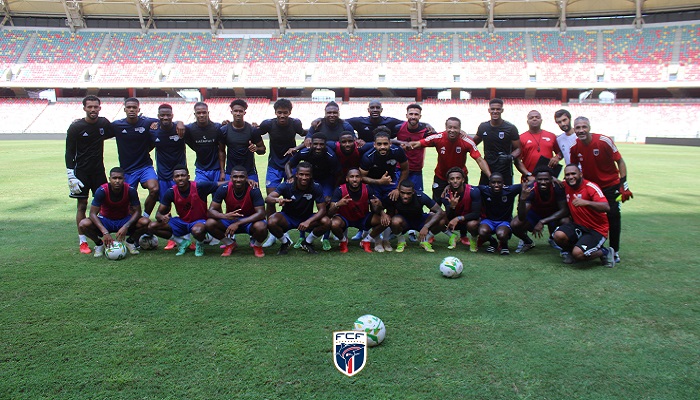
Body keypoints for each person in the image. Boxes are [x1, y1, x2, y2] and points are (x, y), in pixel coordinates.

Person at [569, 116, 632, 263]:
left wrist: (623, 183)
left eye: (584, 127)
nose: (581, 130)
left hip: (610, 186)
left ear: (589, 127)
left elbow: (620, 161)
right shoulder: (574, 146)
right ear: (575, 129)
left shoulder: (604, 141)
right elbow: (574, 167)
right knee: (590, 217)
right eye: (578, 128)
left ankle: (614, 251)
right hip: (591, 188)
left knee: (613, 216)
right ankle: (594, 247)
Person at [111, 97, 184, 218]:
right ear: (124, 109)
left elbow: (167, 120)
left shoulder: (147, 122)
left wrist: (180, 122)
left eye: (134, 107)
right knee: (127, 199)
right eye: (129, 107)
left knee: (155, 189)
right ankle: (132, 225)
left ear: (138, 109)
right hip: (127, 169)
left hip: (145, 166)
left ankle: (145, 217)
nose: (132, 110)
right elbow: (99, 128)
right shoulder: (117, 125)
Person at [65, 95, 114, 254]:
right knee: (82, 205)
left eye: (95, 107)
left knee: (104, 204)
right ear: (84, 108)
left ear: (100, 108)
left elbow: (113, 132)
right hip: (81, 173)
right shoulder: (76, 127)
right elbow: (69, 152)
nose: (93, 109)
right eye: (90, 107)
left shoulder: (103, 123)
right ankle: (83, 242)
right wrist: (70, 174)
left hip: (99, 171)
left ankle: (103, 235)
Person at [257, 98, 307, 246]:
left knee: (292, 199)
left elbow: (306, 135)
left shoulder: (295, 123)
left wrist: (315, 127)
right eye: (279, 113)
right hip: (274, 166)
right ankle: (273, 234)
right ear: (275, 113)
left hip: (291, 166)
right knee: (271, 199)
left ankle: (293, 231)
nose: (282, 116)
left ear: (290, 113)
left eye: (285, 113)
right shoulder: (268, 124)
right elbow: (255, 133)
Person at [409, 117, 490, 203]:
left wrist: (490, 176)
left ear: (460, 129)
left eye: (455, 128)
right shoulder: (438, 138)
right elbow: (418, 143)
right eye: (450, 127)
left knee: (462, 203)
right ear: (446, 127)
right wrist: (407, 146)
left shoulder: (467, 141)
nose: (452, 130)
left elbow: (479, 159)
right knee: (436, 204)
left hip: (459, 178)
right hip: (441, 177)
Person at [148, 165, 221, 257]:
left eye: (183, 175)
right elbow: (158, 214)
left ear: (188, 177)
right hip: (182, 222)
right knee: (152, 226)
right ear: (173, 179)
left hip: (199, 222)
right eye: (177, 176)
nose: (180, 178)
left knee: (197, 230)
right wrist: (162, 217)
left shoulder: (199, 186)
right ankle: (183, 242)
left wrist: (236, 182)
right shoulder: (171, 192)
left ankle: (200, 244)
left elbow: (220, 184)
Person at [552, 164, 615, 267]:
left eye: (573, 173)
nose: (570, 177)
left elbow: (606, 207)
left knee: (578, 254)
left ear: (580, 174)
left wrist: (586, 202)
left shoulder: (590, 187)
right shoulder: (567, 185)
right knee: (558, 235)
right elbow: (554, 181)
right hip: (578, 226)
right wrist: (550, 177)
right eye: (567, 175)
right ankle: (569, 252)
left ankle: (605, 252)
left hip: (596, 229)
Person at [78, 167, 150, 257]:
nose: (117, 181)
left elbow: (137, 212)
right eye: (114, 178)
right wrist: (104, 232)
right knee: (83, 224)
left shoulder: (130, 190)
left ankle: (130, 242)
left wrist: (126, 226)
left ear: (124, 179)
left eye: (120, 178)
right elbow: (92, 213)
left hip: (124, 219)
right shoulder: (102, 191)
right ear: (109, 179)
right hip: (105, 220)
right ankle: (99, 244)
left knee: (146, 222)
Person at [265, 162, 330, 255]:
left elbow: (322, 210)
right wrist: (277, 200)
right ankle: (285, 242)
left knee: (326, 221)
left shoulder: (316, 187)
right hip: (288, 218)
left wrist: (309, 221)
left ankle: (307, 242)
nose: (304, 177)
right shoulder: (286, 185)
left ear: (311, 175)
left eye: (307, 175)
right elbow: (268, 199)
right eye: (301, 174)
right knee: (271, 221)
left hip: (307, 217)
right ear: (296, 175)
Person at [205, 165, 267, 258]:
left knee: (261, 226)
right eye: (235, 177)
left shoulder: (254, 189)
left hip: (249, 221)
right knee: (210, 223)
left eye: (241, 177)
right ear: (230, 178)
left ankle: (257, 246)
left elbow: (261, 213)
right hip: (230, 219)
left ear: (246, 178)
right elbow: (211, 211)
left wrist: (238, 223)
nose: (238, 179)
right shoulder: (224, 188)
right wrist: (225, 216)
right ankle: (229, 244)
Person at [149, 104, 188, 251]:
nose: (165, 117)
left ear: (172, 115)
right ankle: (172, 238)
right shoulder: (153, 131)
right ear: (158, 116)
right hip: (164, 175)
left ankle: (188, 234)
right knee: (166, 207)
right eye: (162, 115)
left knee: (184, 205)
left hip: (180, 176)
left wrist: (181, 122)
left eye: (168, 115)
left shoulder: (180, 130)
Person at [511, 165, 569, 254]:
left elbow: (564, 210)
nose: (543, 182)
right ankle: (527, 241)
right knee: (515, 224)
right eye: (540, 179)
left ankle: (554, 238)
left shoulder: (557, 187)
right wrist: (522, 199)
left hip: (553, 214)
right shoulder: (530, 189)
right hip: (536, 214)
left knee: (566, 221)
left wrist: (542, 221)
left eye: (546, 179)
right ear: (535, 179)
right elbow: (521, 217)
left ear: (551, 179)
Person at [328, 168, 389, 253]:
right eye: (351, 177)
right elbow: (330, 212)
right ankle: (343, 241)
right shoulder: (339, 190)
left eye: (357, 176)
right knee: (333, 224)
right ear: (347, 179)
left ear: (361, 178)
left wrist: (380, 207)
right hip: (344, 218)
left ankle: (367, 240)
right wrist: (337, 204)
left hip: (363, 217)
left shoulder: (367, 188)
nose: (354, 179)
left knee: (386, 220)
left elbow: (375, 208)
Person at [381, 180, 446, 253]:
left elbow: (440, 211)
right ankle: (401, 241)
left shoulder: (421, 196)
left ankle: (425, 240)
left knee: (441, 221)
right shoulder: (394, 196)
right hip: (404, 221)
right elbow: (380, 207)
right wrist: (383, 214)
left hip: (420, 220)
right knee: (394, 221)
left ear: (413, 192)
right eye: (402, 193)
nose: (405, 196)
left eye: (408, 193)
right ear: (398, 191)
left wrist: (426, 226)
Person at [473, 98, 521, 185]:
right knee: (484, 194)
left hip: (505, 168)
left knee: (506, 194)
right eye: (493, 109)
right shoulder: (483, 127)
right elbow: (473, 143)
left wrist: (510, 157)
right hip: (488, 167)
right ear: (489, 110)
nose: (495, 111)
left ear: (502, 110)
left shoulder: (510, 128)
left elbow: (518, 149)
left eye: (498, 109)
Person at [220, 99, 266, 182]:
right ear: (231, 112)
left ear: (244, 113)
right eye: (235, 111)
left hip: (249, 172)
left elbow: (263, 149)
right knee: (228, 194)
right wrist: (222, 171)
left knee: (254, 194)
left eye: (240, 111)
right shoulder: (224, 130)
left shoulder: (252, 130)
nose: (238, 113)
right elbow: (221, 151)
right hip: (230, 172)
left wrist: (256, 149)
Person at [477, 173, 522, 255]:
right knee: (482, 232)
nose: (496, 185)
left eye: (499, 182)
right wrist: (448, 186)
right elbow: (468, 188)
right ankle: (493, 242)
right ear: (489, 183)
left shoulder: (509, 191)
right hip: (488, 220)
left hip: (504, 221)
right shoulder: (484, 190)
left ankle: (504, 245)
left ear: (503, 183)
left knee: (501, 234)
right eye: (493, 182)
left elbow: (525, 185)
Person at [391, 103, 432, 191]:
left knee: (417, 197)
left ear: (420, 116)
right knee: (396, 194)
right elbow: (386, 139)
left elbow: (437, 139)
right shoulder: (398, 128)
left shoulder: (425, 130)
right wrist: (401, 142)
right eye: (411, 114)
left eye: (416, 114)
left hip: (416, 169)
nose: (413, 117)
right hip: (400, 168)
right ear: (406, 115)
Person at [514, 110, 562, 182]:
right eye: (531, 117)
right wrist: (528, 175)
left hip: (548, 178)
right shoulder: (521, 138)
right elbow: (517, 160)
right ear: (527, 121)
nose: (534, 119)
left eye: (537, 117)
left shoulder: (551, 136)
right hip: (529, 178)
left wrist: (557, 157)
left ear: (541, 120)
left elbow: (561, 152)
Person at [184, 102, 225, 183]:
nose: (201, 115)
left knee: (219, 194)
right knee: (199, 192)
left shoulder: (217, 128)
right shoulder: (190, 129)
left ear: (208, 113)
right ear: (194, 114)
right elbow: (190, 143)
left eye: (204, 112)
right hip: (201, 170)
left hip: (216, 169)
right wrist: (179, 122)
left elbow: (222, 150)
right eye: (199, 113)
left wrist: (222, 172)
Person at [442, 167, 482, 251]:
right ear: (448, 181)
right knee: (439, 216)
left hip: (469, 219)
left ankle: (474, 240)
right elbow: (449, 216)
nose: (455, 181)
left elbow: (476, 214)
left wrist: (458, 218)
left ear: (463, 179)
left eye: (458, 178)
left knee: (472, 224)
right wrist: (452, 207)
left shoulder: (473, 191)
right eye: (452, 179)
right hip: (454, 222)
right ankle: (452, 236)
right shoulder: (446, 195)